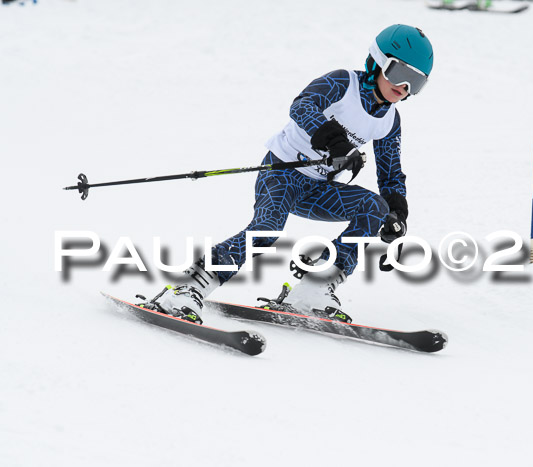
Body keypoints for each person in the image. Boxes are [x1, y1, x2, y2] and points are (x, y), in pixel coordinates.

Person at [146, 24, 434, 325]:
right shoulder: (342, 83)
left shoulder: (390, 121)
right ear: (377, 61)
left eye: (416, 82)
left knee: (375, 207)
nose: (404, 88)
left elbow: (390, 174)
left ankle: (315, 288)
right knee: (267, 229)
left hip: (319, 189)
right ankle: (189, 286)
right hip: (282, 174)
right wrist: (335, 140)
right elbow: (302, 106)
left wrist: (397, 213)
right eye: (400, 74)